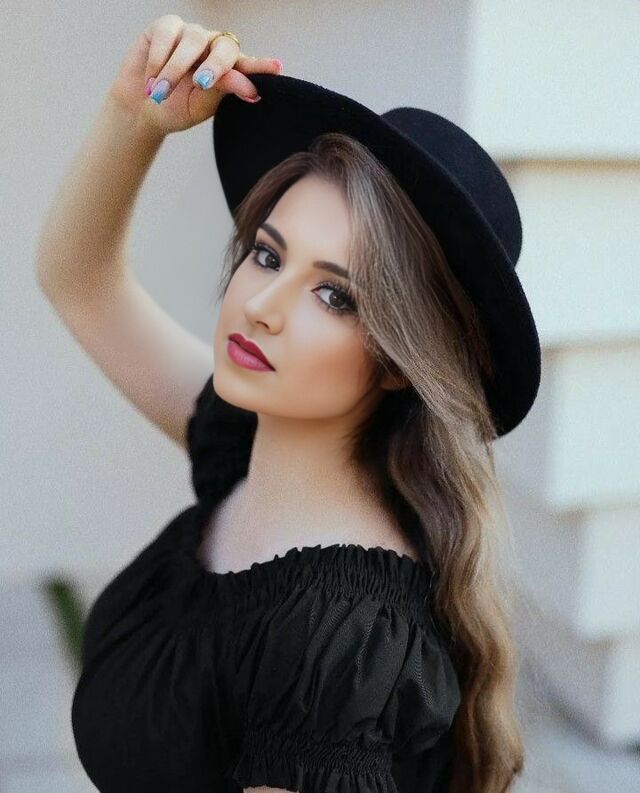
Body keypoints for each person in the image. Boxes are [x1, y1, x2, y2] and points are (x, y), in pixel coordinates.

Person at [36, 14, 540, 793]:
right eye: (268, 254)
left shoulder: (337, 643)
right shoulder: (243, 443)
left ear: (400, 364)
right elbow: (79, 282)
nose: (262, 305)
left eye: (335, 295)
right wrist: (135, 117)